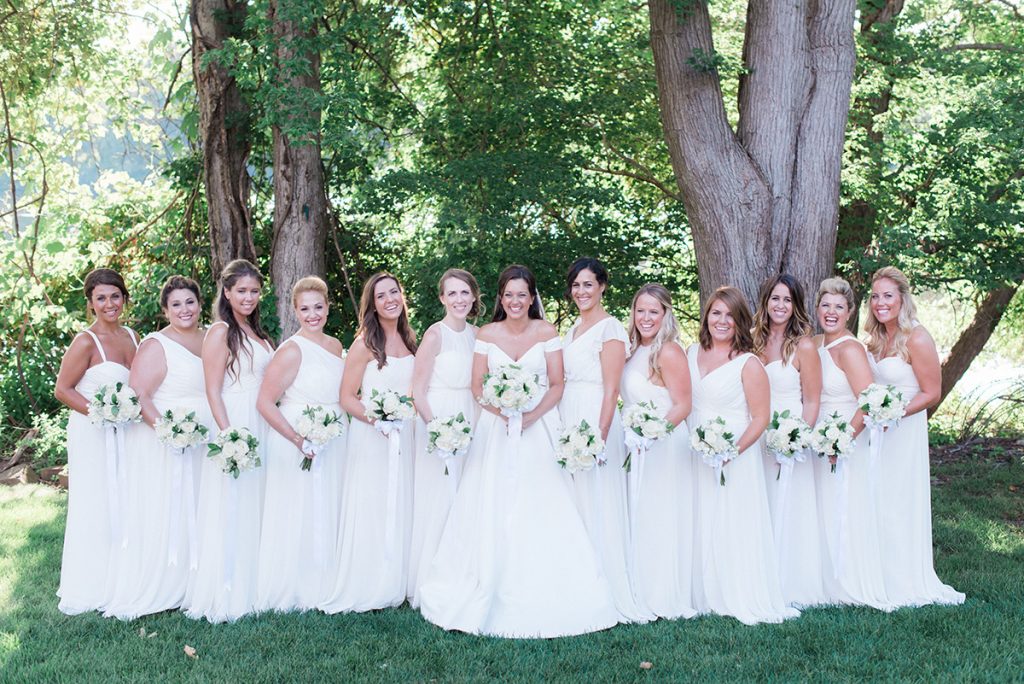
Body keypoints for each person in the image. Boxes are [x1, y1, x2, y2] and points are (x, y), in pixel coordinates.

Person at [418, 264, 621, 638]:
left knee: (542, 502)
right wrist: (504, 412)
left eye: (522, 295)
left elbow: (557, 384)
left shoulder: (547, 331)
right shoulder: (488, 334)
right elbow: (478, 386)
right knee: (491, 502)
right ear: (500, 298)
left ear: (532, 297)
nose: (515, 301)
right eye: (508, 294)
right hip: (495, 431)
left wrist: (529, 416)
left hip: (539, 427)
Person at [688, 286, 797, 625]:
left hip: (735, 453)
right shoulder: (691, 352)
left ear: (740, 321)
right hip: (694, 451)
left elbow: (761, 418)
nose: (721, 321)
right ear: (707, 316)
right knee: (699, 518)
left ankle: (735, 589)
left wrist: (730, 451)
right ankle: (698, 590)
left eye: (729, 315)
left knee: (733, 523)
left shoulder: (749, 364)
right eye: (715, 313)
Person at [104, 276, 210, 620]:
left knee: (201, 506)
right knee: (170, 507)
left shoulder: (210, 338)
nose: (184, 310)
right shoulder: (156, 344)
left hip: (203, 438)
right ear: (165, 309)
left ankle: (197, 579)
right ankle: (168, 580)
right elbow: (140, 394)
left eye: (190, 302)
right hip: (168, 442)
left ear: (199, 304)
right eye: (176, 304)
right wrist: (170, 432)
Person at [864, 266, 964, 607]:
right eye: (875, 296)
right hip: (878, 434)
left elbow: (931, 392)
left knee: (897, 501)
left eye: (888, 295)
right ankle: (874, 574)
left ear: (903, 299)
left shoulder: (917, 338)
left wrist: (893, 413)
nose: (880, 302)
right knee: (876, 499)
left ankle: (902, 578)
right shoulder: (877, 339)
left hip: (902, 433)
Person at [321, 272, 418, 613]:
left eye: (395, 291)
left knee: (401, 502)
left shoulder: (410, 339)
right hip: (372, 436)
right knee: (373, 505)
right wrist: (378, 420)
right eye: (382, 295)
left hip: (405, 437)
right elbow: (347, 397)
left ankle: (398, 577)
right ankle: (370, 581)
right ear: (372, 305)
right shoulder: (364, 344)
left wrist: (399, 421)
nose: (390, 299)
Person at [183, 259, 274, 623]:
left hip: (263, 419)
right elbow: (212, 389)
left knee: (259, 498)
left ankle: (260, 581)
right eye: (242, 291)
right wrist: (229, 435)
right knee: (233, 501)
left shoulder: (258, 332)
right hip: (236, 419)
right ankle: (229, 587)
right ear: (226, 292)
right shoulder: (220, 332)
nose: (248, 297)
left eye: (254, 291)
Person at [561, 258, 650, 623]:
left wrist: (597, 437)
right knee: (574, 499)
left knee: (597, 499)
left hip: (596, 420)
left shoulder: (610, 328)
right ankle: (576, 579)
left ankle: (605, 585)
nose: (582, 291)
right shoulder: (572, 329)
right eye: (576, 285)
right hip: (569, 414)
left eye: (588, 284)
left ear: (602, 287)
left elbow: (612, 388)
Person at [256, 277, 346, 612]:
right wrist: (298, 439)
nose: (312, 315)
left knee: (328, 505)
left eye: (318, 307)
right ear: (295, 311)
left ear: (327, 307)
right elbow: (265, 402)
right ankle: (296, 586)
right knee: (300, 509)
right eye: (305, 309)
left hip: (333, 436)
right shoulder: (291, 350)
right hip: (298, 438)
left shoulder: (336, 346)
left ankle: (328, 578)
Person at [54, 268, 139, 615]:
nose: (109, 304)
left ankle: (127, 577)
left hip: (127, 431)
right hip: (93, 431)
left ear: (124, 298)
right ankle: (93, 582)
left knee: (126, 498)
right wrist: (103, 413)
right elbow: (62, 390)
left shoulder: (133, 336)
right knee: (97, 501)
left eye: (115, 296)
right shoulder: (85, 341)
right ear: (90, 304)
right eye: (101, 298)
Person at [812, 277, 892, 610]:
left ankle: (847, 583)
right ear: (817, 308)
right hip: (819, 437)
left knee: (842, 509)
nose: (831, 312)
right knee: (821, 510)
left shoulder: (850, 348)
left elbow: (869, 401)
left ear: (850, 312)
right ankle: (820, 578)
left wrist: (842, 440)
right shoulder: (815, 343)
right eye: (825, 305)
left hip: (843, 440)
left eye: (839, 307)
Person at [620, 283, 696, 619]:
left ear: (665, 314)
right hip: (637, 445)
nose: (646, 317)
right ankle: (638, 585)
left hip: (664, 447)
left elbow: (683, 404)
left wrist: (653, 434)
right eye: (640, 310)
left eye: (654, 311)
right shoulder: (633, 349)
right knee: (640, 516)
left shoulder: (669, 351)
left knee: (661, 516)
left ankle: (663, 592)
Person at [751, 274, 826, 607]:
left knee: (790, 509)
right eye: (775, 299)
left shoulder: (804, 346)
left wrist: (796, 439)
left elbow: (811, 400)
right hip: (756, 437)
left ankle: (793, 583)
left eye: (787, 300)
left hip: (789, 438)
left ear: (795, 305)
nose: (780, 306)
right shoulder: (751, 340)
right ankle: (757, 578)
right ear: (766, 302)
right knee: (758, 506)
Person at [407, 269, 480, 607]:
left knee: (467, 496)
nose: (459, 300)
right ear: (442, 298)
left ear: (474, 296)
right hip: (440, 421)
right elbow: (417, 392)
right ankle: (430, 578)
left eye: (465, 293)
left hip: (472, 419)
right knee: (439, 498)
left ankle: (463, 573)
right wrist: (437, 431)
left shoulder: (479, 335)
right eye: (452, 294)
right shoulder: (435, 335)